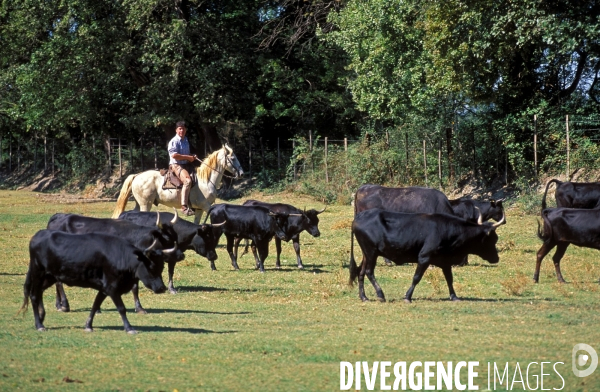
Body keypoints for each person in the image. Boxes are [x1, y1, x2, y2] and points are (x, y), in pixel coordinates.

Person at [168, 120, 196, 216]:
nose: (182, 131)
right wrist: (188, 157)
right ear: (176, 130)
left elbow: (186, 154)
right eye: (180, 129)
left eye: (183, 129)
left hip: (186, 164)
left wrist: (192, 156)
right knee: (188, 181)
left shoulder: (186, 140)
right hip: (176, 165)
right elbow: (174, 155)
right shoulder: (174, 141)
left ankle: (193, 202)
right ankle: (184, 207)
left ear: (186, 130)